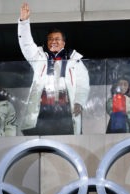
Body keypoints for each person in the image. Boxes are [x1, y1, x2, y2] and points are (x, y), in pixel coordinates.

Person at [18, 3, 90, 135]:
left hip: (65, 111)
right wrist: (23, 22)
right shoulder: (39, 58)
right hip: (43, 110)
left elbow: (83, 84)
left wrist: (79, 102)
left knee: (66, 144)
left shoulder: (75, 60)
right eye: (50, 39)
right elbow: (26, 44)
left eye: (57, 39)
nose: (53, 42)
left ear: (63, 42)